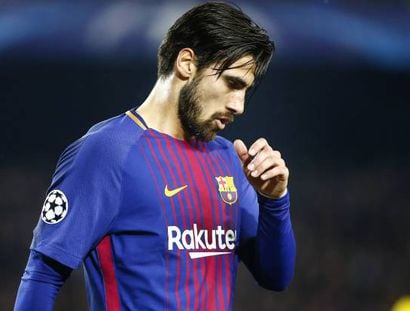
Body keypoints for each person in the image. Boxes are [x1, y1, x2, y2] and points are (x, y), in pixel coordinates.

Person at [14, 1, 296, 310]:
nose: (239, 105)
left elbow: (275, 277)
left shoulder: (229, 161)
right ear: (187, 63)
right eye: (232, 83)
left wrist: (275, 199)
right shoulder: (105, 153)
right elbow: (42, 276)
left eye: (245, 90)